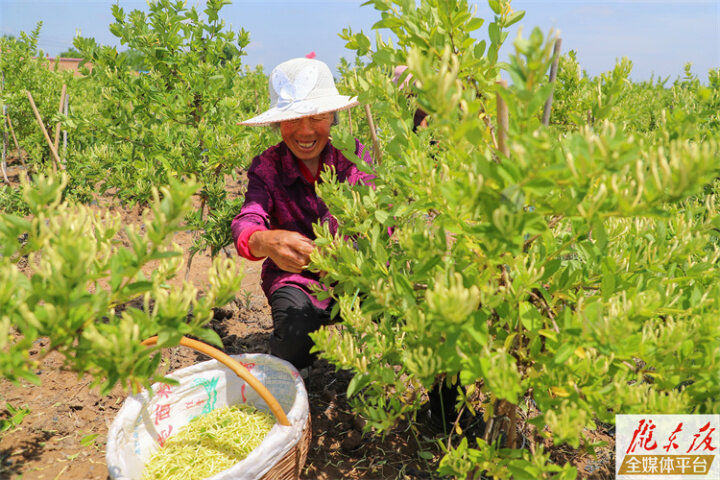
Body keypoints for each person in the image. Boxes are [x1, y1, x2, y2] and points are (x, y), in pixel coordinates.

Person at [231, 57, 374, 371]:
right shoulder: (267, 167)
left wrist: (344, 254)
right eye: (293, 119)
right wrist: (263, 240)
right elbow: (248, 219)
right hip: (298, 281)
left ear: (333, 118)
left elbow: (381, 220)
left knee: (426, 319)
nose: (305, 130)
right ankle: (293, 377)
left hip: (361, 276)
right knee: (295, 338)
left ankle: (440, 417)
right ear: (278, 123)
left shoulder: (355, 158)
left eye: (317, 117)